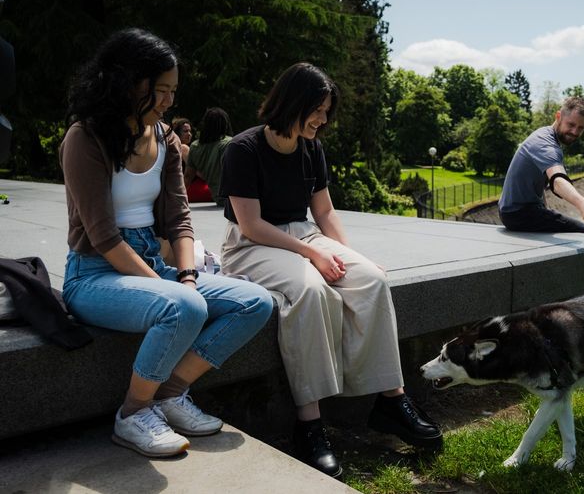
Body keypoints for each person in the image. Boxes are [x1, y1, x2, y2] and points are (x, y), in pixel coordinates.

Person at [219, 62, 442, 478]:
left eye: (326, 112)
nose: (323, 120)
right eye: (317, 110)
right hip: (252, 245)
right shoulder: (244, 148)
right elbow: (250, 224)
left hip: (302, 234)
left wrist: (345, 254)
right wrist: (311, 256)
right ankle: (310, 424)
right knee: (311, 290)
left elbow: (323, 210)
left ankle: (391, 400)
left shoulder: (311, 148)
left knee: (371, 280)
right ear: (292, 103)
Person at [60, 28, 274, 458]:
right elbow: (103, 237)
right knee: (184, 306)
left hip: (157, 265)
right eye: (160, 90)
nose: (168, 101)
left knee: (257, 303)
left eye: (173, 91)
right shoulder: (84, 138)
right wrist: (175, 290)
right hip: (95, 273)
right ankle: (133, 413)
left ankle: (170, 394)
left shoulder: (166, 140)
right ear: (125, 82)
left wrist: (188, 275)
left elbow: (179, 219)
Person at [498, 96, 584, 233]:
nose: (575, 132)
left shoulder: (547, 136)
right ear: (558, 116)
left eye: (580, 128)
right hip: (518, 213)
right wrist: (583, 204)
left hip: (515, 211)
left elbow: (539, 187)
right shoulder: (545, 144)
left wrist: (545, 210)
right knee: (580, 230)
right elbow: (558, 181)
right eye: (571, 125)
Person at [184, 107, 233, 207]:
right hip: (236, 199)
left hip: (218, 198)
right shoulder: (229, 143)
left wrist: (178, 201)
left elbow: (188, 177)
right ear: (225, 123)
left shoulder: (195, 146)